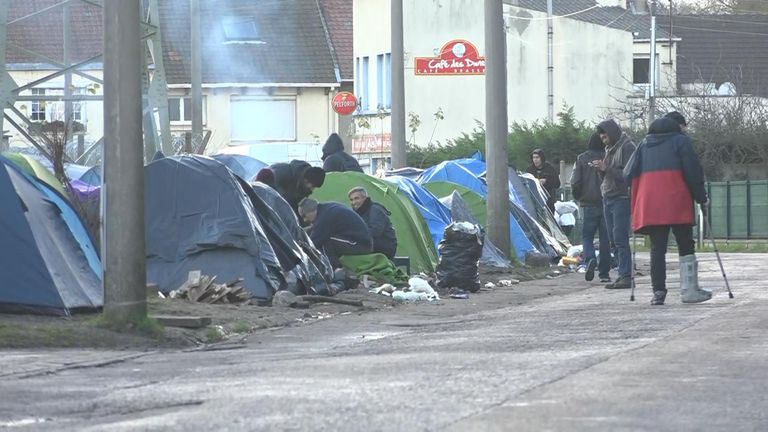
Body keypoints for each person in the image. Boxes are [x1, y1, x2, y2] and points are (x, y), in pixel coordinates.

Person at [624, 116, 711, 305]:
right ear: (678, 127)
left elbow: (627, 173)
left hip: (651, 203)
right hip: (677, 200)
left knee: (657, 248)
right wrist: (702, 198)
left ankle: (658, 293)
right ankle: (689, 291)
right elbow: (693, 172)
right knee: (685, 244)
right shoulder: (681, 142)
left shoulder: (643, 145)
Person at [594, 119, 636, 289]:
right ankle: (621, 274)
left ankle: (626, 275)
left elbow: (628, 175)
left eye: (605, 135)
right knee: (612, 239)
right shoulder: (608, 149)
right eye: (601, 136)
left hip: (621, 197)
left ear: (612, 132)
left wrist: (606, 169)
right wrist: (600, 170)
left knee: (620, 237)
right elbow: (608, 176)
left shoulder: (627, 147)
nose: (603, 138)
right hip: (608, 196)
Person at [570, 132, 612, 283]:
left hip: (588, 203)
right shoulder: (607, 156)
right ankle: (605, 273)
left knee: (587, 236)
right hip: (605, 201)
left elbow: (575, 181)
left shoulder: (582, 158)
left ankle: (590, 259)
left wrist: (578, 196)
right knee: (605, 239)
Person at [298, 198, 373, 268]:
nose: (305, 220)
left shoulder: (324, 218)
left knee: (327, 241)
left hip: (361, 245)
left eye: (304, 216)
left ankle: (333, 269)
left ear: (311, 210)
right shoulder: (327, 208)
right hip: (362, 241)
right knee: (326, 238)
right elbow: (314, 229)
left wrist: (299, 252)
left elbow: (312, 244)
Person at [348, 187, 397, 259]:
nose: (353, 202)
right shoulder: (359, 212)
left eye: (356, 198)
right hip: (372, 244)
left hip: (385, 247)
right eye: (351, 200)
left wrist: (355, 235)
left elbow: (375, 231)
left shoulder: (375, 209)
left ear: (365, 198)